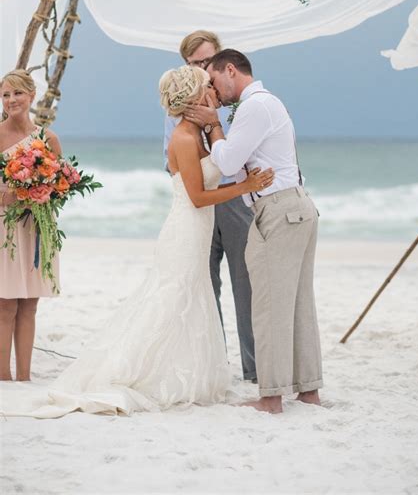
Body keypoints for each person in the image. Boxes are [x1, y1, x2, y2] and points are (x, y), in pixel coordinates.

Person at [0, 65, 273, 417]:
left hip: (196, 230)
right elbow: (198, 197)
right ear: (193, 95)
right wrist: (246, 187)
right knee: (170, 299)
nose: (214, 91)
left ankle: (186, 370)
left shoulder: (199, 134)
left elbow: (218, 167)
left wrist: (221, 135)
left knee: (190, 298)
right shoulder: (185, 139)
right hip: (186, 230)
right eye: (208, 86)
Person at [184, 50, 323, 414]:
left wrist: (214, 125)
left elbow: (228, 162)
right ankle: (308, 392)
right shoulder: (267, 103)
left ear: (231, 70)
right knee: (297, 305)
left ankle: (271, 397)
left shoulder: (254, 106)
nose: (213, 88)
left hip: (278, 211)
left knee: (270, 306)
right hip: (295, 207)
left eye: (213, 80)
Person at [163, 30, 256, 382]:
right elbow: (169, 156)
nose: (203, 68)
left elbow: (240, 156)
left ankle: (254, 367)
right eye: (195, 63)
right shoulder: (177, 109)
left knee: (244, 282)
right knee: (203, 284)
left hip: (232, 200)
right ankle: (214, 364)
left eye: (207, 61)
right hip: (195, 204)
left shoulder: (236, 103)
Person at [0, 69, 61, 382]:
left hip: (35, 228)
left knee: (29, 304)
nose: (11, 100)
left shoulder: (47, 139)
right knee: (5, 303)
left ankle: (24, 377)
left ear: (31, 95)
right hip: (5, 230)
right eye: (6, 95)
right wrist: (11, 194)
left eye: (17, 94)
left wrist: (43, 190)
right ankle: (3, 377)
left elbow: (59, 187)